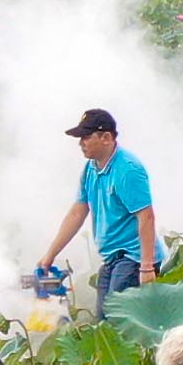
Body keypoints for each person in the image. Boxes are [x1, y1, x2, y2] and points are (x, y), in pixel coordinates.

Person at [31, 108, 159, 315]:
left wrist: (147, 266)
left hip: (133, 257)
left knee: (116, 322)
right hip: (112, 258)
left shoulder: (128, 170)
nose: (81, 143)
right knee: (102, 323)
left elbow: (146, 217)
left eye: (86, 137)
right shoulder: (90, 168)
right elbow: (77, 213)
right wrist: (50, 255)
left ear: (106, 137)